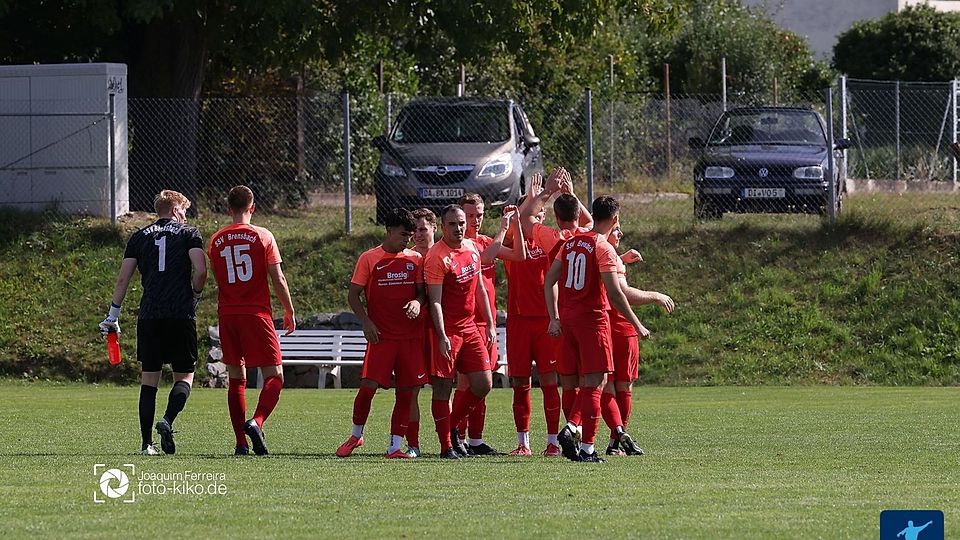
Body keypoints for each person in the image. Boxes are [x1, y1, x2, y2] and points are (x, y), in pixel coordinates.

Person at [99, 189, 206, 455]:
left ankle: (147, 444)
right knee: (185, 375)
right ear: (175, 210)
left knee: (149, 381)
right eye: (183, 210)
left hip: (149, 315)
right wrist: (195, 295)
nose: (185, 215)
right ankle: (167, 420)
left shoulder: (138, 237)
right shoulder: (189, 233)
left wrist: (113, 315)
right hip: (180, 313)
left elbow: (123, 279)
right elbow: (201, 270)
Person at [544, 195, 650, 463]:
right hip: (593, 321)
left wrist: (554, 317)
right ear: (615, 219)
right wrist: (637, 323)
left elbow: (549, 281)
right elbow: (615, 293)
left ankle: (573, 429)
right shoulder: (602, 247)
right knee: (595, 383)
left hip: (568, 321)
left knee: (586, 383)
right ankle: (587, 447)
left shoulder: (569, 244)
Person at [208, 185, 296, 456]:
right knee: (275, 375)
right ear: (253, 207)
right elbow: (277, 278)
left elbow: (218, 277)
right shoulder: (263, 236)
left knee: (236, 377)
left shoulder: (216, 239)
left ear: (228, 208)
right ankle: (256, 422)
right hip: (256, 313)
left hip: (228, 314)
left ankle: (240, 443)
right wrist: (289, 310)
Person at [336, 208, 426, 459]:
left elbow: (421, 293)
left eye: (409, 235)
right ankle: (356, 435)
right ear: (388, 231)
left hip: (409, 337)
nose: (406, 239)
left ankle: (395, 447)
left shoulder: (415, 259)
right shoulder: (369, 258)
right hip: (381, 336)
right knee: (367, 387)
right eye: (401, 234)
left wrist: (418, 302)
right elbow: (353, 294)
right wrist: (366, 322)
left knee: (407, 391)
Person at [518, 167, 593, 446]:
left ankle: (572, 430)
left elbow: (526, 219)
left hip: (563, 314)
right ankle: (581, 431)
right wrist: (570, 194)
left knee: (569, 381)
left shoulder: (553, 238)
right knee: (593, 378)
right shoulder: (588, 236)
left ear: (557, 218)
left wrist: (546, 193)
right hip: (590, 313)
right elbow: (594, 221)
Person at [450, 193, 526, 456]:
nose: (475, 220)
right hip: (466, 323)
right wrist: (503, 229)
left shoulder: (485, 241)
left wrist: (515, 223)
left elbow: (519, 255)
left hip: (487, 323)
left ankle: (475, 440)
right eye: (470, 215)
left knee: (483, 384)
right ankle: (455, 435)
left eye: (480, 215)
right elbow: (485, 259)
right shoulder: (458, 246)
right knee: (465, 384)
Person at [424, 205, 497, 459]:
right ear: (443, 227)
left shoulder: (472, 249)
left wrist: (489, 322)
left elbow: (479, 290)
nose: (459, 228)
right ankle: (446, 446)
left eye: (462, 223)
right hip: (449, 330)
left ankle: (452, 426)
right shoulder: (437, 256)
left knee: (483, 383)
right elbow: (435, 300)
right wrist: (442, 335)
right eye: (453, 224)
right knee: (443, 387)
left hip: (470, 326)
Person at [602, 225, 675, 456]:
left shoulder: (592, 247)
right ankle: (615, 441)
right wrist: (656, 296)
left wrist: (621, 258)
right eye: (616, 228)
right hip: (620, 327)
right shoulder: (606, 251)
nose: (620, 234)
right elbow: (623, 292)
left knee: (605, 386)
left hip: (599, 325)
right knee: (621, 387)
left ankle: (614, 437)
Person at [404, 207, 438, 458]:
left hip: (440, 329)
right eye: (415, 230)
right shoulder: (409, 258)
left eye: (423, 229)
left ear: (435, 228)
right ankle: (413, 444)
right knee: (412, 387)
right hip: (414, 331)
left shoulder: (446, 253)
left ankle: (449, 441)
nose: (418, 234)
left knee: (443, 386)